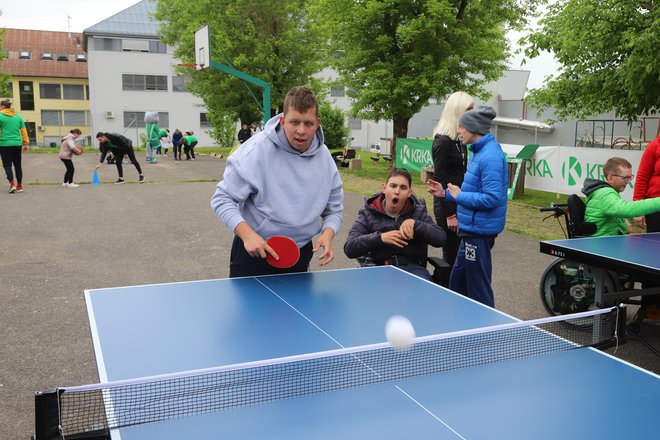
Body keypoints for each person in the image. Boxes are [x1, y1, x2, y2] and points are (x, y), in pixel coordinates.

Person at [211, 85, 343, 278]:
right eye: (294, 122)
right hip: (254, 251)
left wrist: (328, 233)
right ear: (282, 120)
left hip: (299, 253)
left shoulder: (325, 159)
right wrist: (248, 236)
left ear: (317, 123)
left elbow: (334, 209)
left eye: (308, 123)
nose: (301, 130)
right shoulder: (255, 151)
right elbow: (222, 199)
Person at [427, 105, 508, 307]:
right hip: (470, 231)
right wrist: (446, 194)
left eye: (461, 126)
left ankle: (484, 333)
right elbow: (474, 193)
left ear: (474, 128)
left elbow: (492, 198)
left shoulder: (490, 157)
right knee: (458, 283)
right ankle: (461, 327)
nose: (458, 130)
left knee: (478, 288)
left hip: (478, 233)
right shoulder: (479, 152)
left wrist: (460, 196)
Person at [344, 168, 446, 281]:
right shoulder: (368, 212)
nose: (397, 191)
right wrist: (380, 238)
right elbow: (349, 248)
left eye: (403, 187)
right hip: (379, 270)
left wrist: (415, 224)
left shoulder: (418, 212)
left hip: (414, 271)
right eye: (393, 186)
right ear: (384, 188)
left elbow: (440, 238)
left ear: (409, 193)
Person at [430, 92, 474, 284]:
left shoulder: (459, 141)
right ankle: (445, 292)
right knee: (452, 255)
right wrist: (450, 215)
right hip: (447, 207)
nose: (473, 113)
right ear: (458, 111)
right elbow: (439, 179)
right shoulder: (442, 141)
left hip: (459, 203)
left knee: (460, 255)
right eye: (469, 110)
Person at [582, 157, 660, 236]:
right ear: (610, 178)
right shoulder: (605, 194)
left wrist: (624, 224)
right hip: (601, 244)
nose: (629, 181)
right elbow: (627, 209)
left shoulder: (604, 191)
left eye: (630, 177)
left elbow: (615, 211)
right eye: (626, 178)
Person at [0, 99, 29, 193]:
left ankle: (12, 185)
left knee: (7, 165)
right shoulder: (18, 116)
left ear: (2, 106)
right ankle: (20, 186)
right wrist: (26, 143)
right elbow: (23, 131)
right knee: (17, 165)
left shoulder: (0, 115)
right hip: (17, 144)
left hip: (4, 144)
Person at [633, 134, 660, 233]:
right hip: (655, 207)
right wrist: (638, 209)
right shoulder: (655, 145)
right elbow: (642, 177)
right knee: (655, 244)